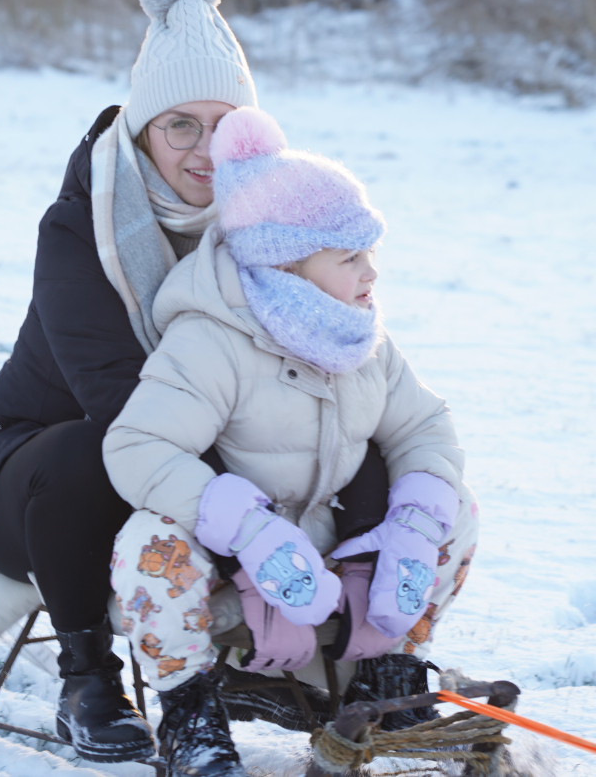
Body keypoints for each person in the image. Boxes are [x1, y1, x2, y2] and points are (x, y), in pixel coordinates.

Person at [0, 0, 298, 765]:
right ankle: (87, 681)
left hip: (173, 474)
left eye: (226, 126)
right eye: (182, 125)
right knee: (92, 449)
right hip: (30, 473)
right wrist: (249, 505)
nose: (206, 151)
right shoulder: (80, 228)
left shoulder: (265, 231)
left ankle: (339, 660)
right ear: (143, 131)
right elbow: (120, 402)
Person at [104, 107, 480, 777]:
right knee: (149, 545)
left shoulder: (362, 341)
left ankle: (389, 672)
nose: (371, 274)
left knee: (457, 506)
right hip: (233, 569)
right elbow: (138, 445)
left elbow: (425, 428)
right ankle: (191, 714)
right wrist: (246, 530)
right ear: (289, 264)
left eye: (371, 254)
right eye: (351, 257)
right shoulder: (213, 339)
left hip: (337, 559)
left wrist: (414, 529)